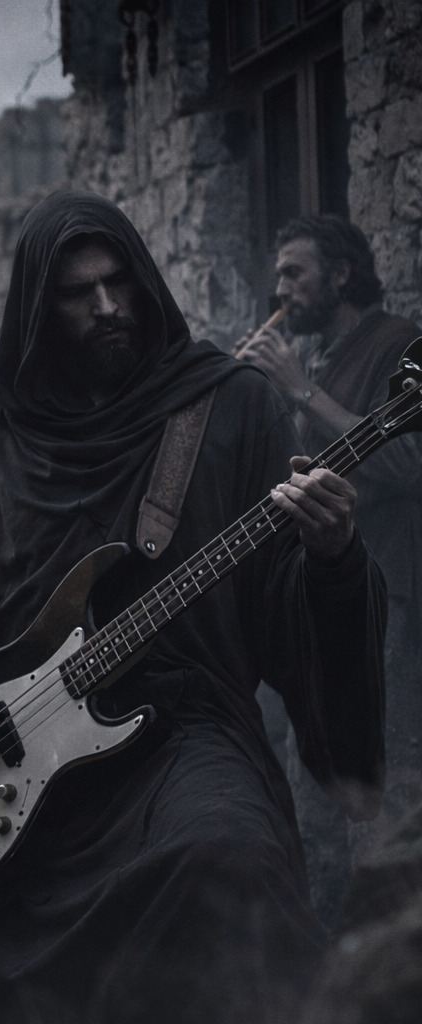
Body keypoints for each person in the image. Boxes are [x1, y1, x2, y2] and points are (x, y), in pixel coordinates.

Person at [0, 190, 387, 1024]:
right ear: (38, 310)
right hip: (9, 749)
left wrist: (332, 558)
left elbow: (284, 612)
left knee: (231, 866)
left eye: (120, 283)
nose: (109, 307)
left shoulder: (232, 406)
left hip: (182, 734)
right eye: (80, 294)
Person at [236, 213, 422, 921]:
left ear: (341, 275)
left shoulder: (397, 342)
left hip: (382, 594)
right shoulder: (317, 356)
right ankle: (321, 937)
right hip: (314, 594)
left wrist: (300, 390)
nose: (280, 289)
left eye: (294, 273)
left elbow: (408, 463)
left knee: (375, 781)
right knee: (309, 782)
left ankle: (380, 948)